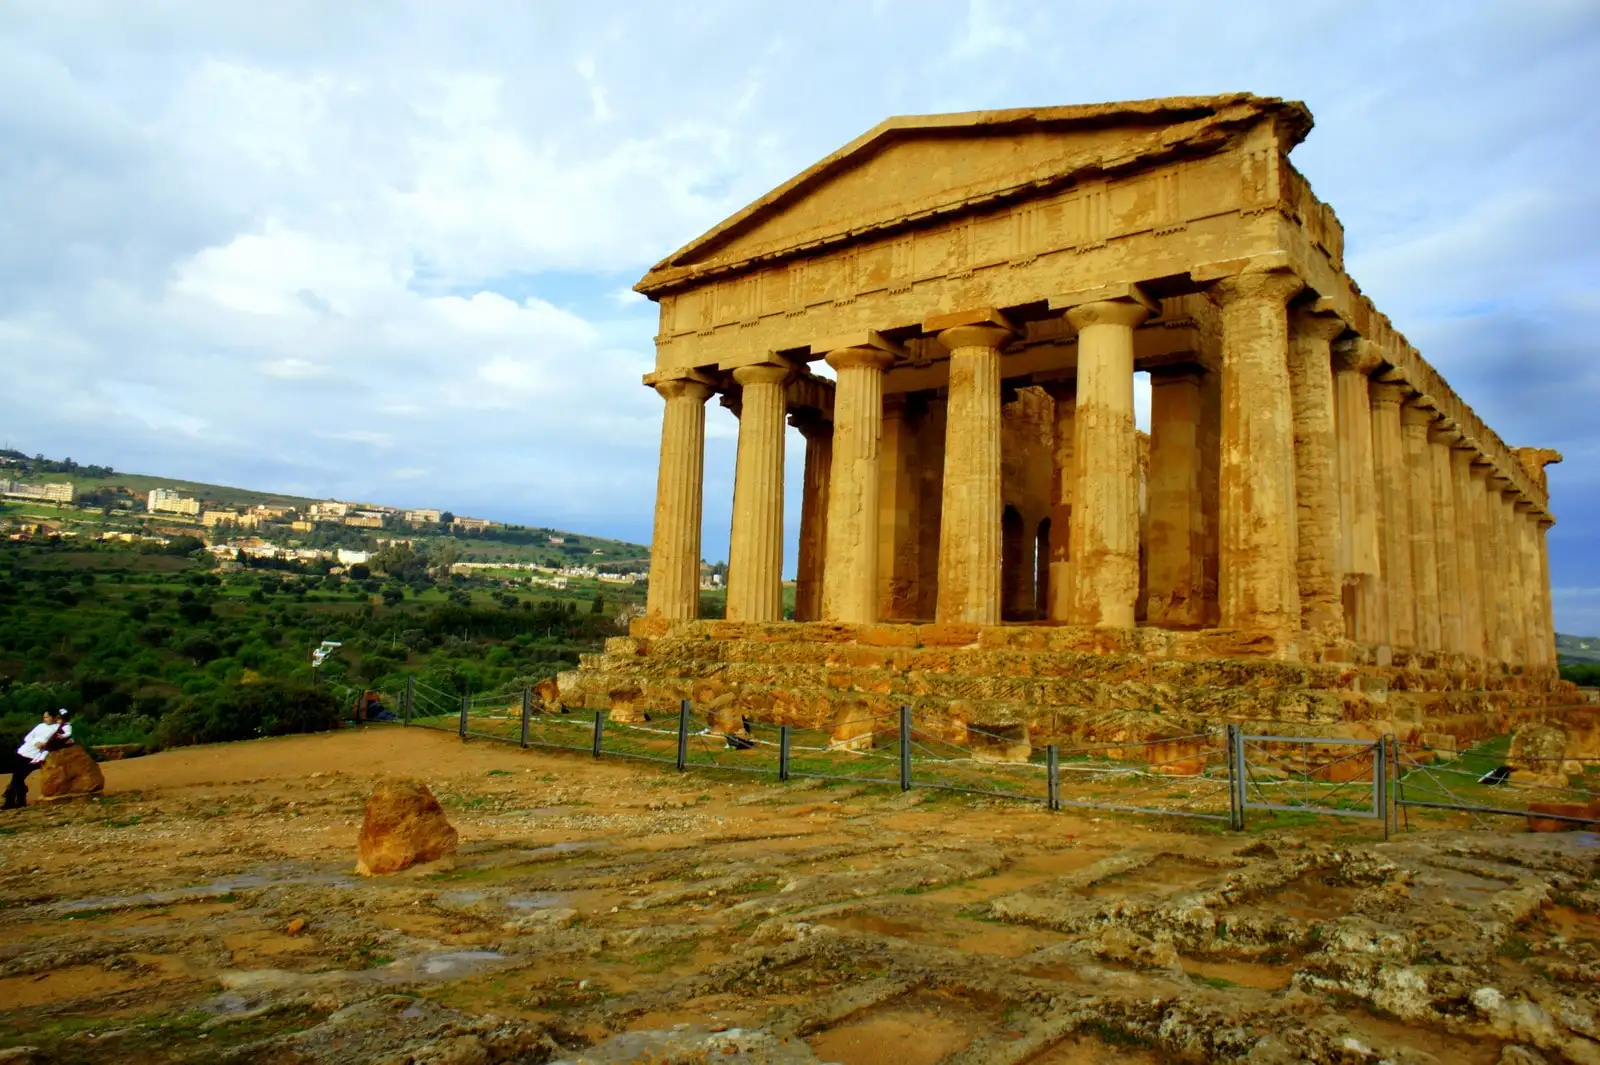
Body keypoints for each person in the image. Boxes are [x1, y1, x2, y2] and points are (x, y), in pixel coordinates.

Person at [5, 708, 73, 810]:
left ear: (54, 717)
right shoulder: (40, 726)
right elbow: (28, 737)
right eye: (44, 717)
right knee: (17, 776)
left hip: (36, 756)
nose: (45, 719)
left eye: (47, 717)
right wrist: (34, 742)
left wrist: (45, 744)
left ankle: (12, 798)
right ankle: (16, 799)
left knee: (19, 776)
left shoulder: (57, 728)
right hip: (23, 751)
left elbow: (63, 738)